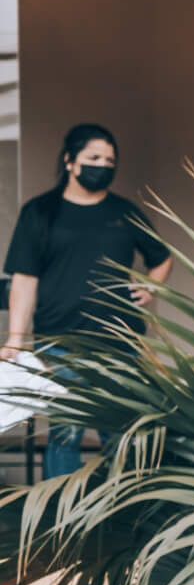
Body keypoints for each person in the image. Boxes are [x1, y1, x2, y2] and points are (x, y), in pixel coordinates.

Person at [3, 123, 171, 478]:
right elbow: (24, 278)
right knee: (65, 434)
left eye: (110, 160)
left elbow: (162, 257)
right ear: (70, 161)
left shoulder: (124, 212)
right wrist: (15, 338)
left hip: (120, 341)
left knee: (121, 435)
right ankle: (59, 521)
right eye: (93, 158)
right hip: (59, 341)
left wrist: (150, 286)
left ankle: (123, 518)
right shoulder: (41, 212)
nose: (103, 165)